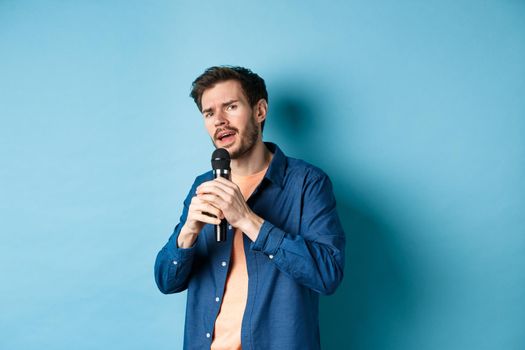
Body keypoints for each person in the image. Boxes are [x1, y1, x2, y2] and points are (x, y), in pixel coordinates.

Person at [154, 66, 346, 350]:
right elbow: (166, 281)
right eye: (209, 113)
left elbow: (328, 274)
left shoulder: (308, 183)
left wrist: (248, 220)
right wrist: (188, 233)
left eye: (230, 107)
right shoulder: (203, 185)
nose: (219, 120)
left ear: (260, 111)